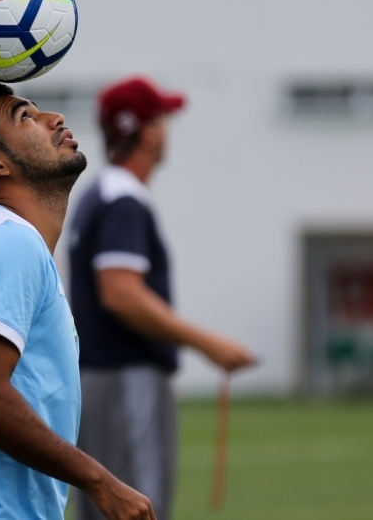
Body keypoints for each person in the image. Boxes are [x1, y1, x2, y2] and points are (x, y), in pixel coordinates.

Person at [0, 80, 155, 520]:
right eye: (25, 117)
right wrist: (100, 481)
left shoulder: (16, 245)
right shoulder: (6, 242)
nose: (53, 119)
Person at [68, 77, 257, 520]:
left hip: (99, 378)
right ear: (147, 132)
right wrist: (208, 343)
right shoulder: (123, 200)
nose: (168, 129)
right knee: (137, 507)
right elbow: (120, 293)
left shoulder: (100, 194)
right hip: (126, 378)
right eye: (163, 119)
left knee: (106, 508)